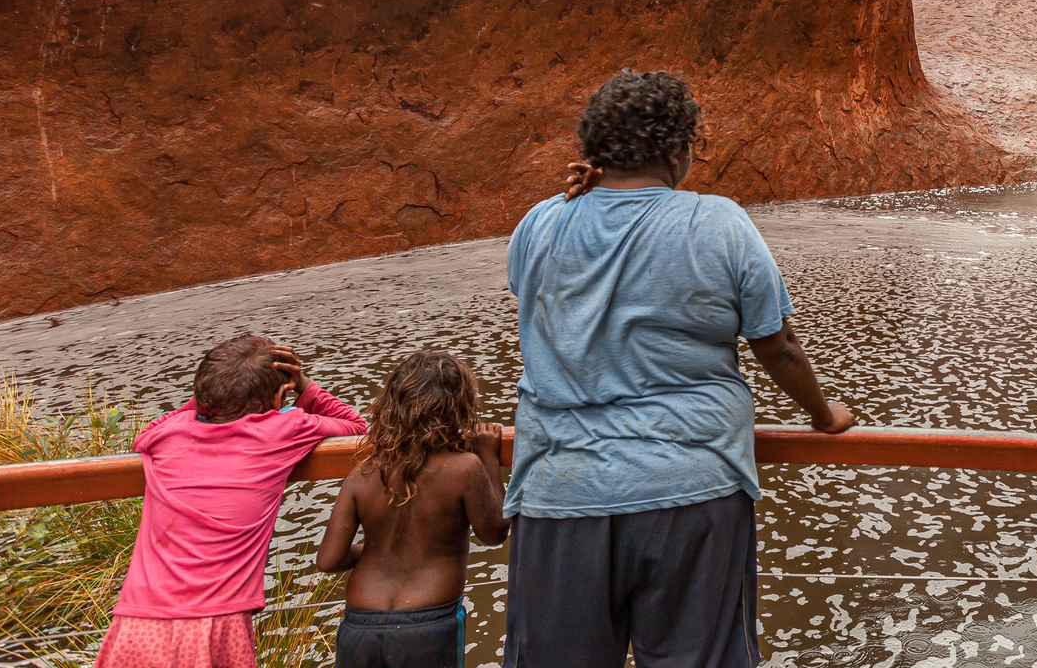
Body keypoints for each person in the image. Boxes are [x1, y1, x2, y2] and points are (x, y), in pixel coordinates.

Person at [502, 69, 856, 668]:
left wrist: (583, 201)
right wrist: (824, 415)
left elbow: (537, 297)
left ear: (595, 150)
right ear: (676, 148)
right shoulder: (717, 222)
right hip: (691, 489)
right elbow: (780, 348)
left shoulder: (541, 222)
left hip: (560, 491)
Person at [94, 336, 366, 668]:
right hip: (219, 623)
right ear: (280, 397)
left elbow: (146, 433)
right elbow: (355, 428)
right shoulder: (285, 427)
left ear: (202, 397)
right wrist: (304, 386)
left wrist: (205, 401)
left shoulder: (168, 434)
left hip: (136, 620)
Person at [315, 351, 510, 668]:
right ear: (457, 408)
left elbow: (328, 560)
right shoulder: (465, 468)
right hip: (428, 625)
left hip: (359, 623)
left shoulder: (361, 474)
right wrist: (489, 458)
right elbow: (493, 532)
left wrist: (375, 548)